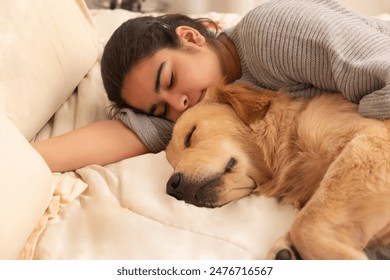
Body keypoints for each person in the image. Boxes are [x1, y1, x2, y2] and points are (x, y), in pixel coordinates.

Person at [33, 0, 390, 172]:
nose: (181, 104)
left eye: (170, 79)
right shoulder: (200, 109)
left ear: (190, 37)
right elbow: (121, 136)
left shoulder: (271, 36)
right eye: (162, 109)